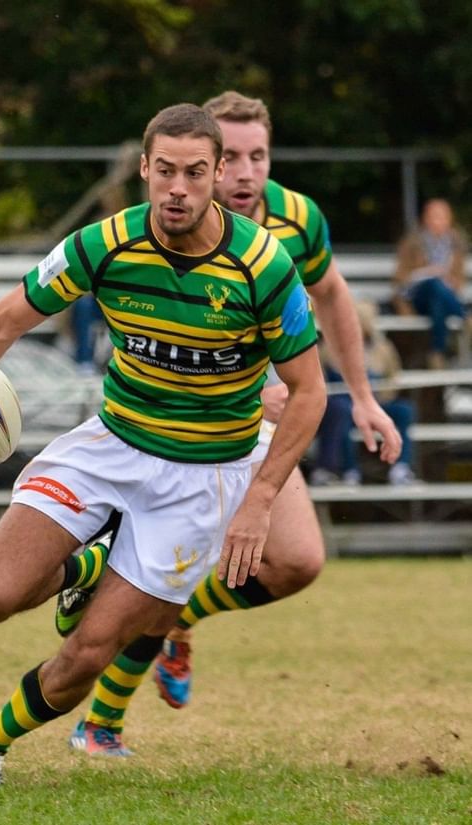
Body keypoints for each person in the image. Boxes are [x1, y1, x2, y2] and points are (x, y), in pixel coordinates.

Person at [0, 103, 327, 786]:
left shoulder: (263, 265)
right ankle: (88, 564)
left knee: (89, 652)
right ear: (144, 170)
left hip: (204, 476)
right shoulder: (105, 244)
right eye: (164, 172)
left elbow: (309, 391)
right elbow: (3, 321)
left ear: (217, 174)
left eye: (194, 172)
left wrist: (261, 496)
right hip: (110, 445)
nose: (177, 189)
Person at [55, 91, 403, 756]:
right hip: (192, 429)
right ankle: (100, 723)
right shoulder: (172, 226)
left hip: (273, 422)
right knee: (173, 576)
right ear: (212, 164)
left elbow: (330, 295)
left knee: (296, 562)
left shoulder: (299, 221)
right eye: (234, 157)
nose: (246, 173)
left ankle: (163, 617)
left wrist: (361, 395)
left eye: (259, 156)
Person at [311, 302, 416, 486]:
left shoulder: (383, 348)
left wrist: (377, 400)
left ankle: (401, 468)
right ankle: (349, 470)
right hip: (345, 404)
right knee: (341, 410)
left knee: (404, 410)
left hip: (374, 403)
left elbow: (393, 378)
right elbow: (319, 380)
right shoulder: (328, 347)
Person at [392, 197, 468, 369]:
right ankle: (465, 316)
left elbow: (459, 281)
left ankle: (437, 352)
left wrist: (449, 280)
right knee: (434, 285)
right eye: (434, 216)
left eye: (442, 216)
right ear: (425, 219)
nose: (438, 221)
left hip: (442, 300)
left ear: (450, 220)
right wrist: (427, 273)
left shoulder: (455, 245)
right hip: (417, 298)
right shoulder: (412, 243)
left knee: (438, 294)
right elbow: (401, 281)